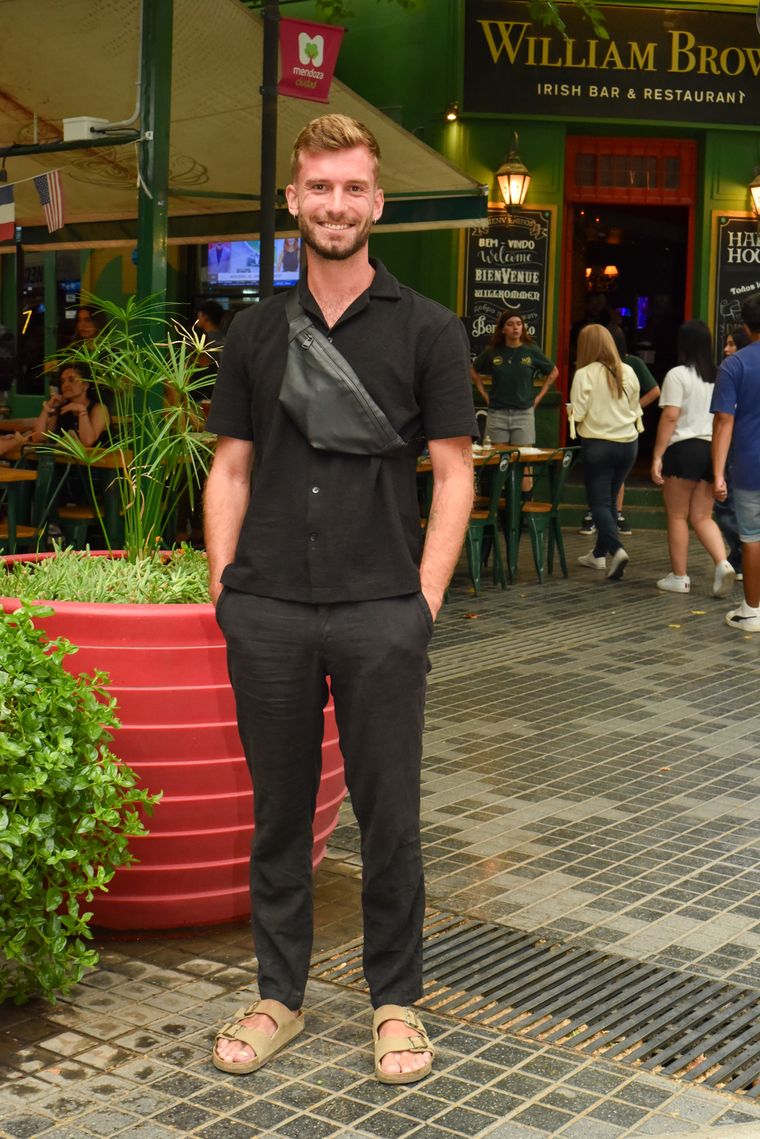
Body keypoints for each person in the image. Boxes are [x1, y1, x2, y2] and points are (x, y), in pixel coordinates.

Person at [204, 114, 477, 1084]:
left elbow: (452, 473)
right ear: (293, 199)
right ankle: (279, 991)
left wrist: (423, 600)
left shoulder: (428, 329)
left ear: (376, 202)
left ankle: (395, 1002)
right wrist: (226, 592)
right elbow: (229, 467)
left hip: (379, 609)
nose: (334, 204)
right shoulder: (255, 331)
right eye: (318, 187)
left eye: (351, 188)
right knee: (278, 810)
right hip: (268, 605)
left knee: (388, 811)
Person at [651, 320, 734, 597]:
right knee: (702, 516)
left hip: (683, 450)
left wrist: (657, 456)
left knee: (677, 515)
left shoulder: (677, 375)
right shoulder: (720, 375)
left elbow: (671, 416)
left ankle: (680, 577)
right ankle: (722, 563)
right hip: (711, 451)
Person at [569, 323, 642, 580]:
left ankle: (616, 549)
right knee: (611, 499)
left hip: (598, 444)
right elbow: (635, 407)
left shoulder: (585, 374)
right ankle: (598, 555)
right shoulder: (629, 371)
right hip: (628, 444)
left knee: (598, 502)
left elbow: (579, 412)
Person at [579, 324, 661, 537]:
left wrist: (633, 410)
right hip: (623, 438)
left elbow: (654, 390)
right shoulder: (600, 368)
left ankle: (612, 527)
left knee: (607, 486)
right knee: (608, 484)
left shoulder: (631, 364)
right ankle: (602, 548)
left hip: (604, 435)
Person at [712, 293, 760, 631]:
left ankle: (752, 610)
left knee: (752, 537)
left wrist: (717, 474)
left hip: (749, 464)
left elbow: (723, 422)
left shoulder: (734, 365)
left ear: (745, 325)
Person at [471, 311, 557, 495]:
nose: (516, 327)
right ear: (502, 329)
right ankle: (500, 511)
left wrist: (538, 397)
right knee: (498, 462)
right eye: (510, 324)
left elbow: (553, 371)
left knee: (524, 463)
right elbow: (473, 370)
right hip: (497, 413)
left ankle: (522, 511)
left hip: (523, 413)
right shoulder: (494, 352)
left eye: (519, 323)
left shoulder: (531, 350)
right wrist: (484, 393)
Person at [30, 363, 109, 448]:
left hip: (97, 459)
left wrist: (81, 410)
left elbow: (88, 442)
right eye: (63, 381)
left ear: (85, 385)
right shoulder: (62, 409)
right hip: (63, 460)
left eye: (71, 380)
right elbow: (37, 438)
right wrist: (47, 408)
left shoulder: (99, 409)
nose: (65, 385)